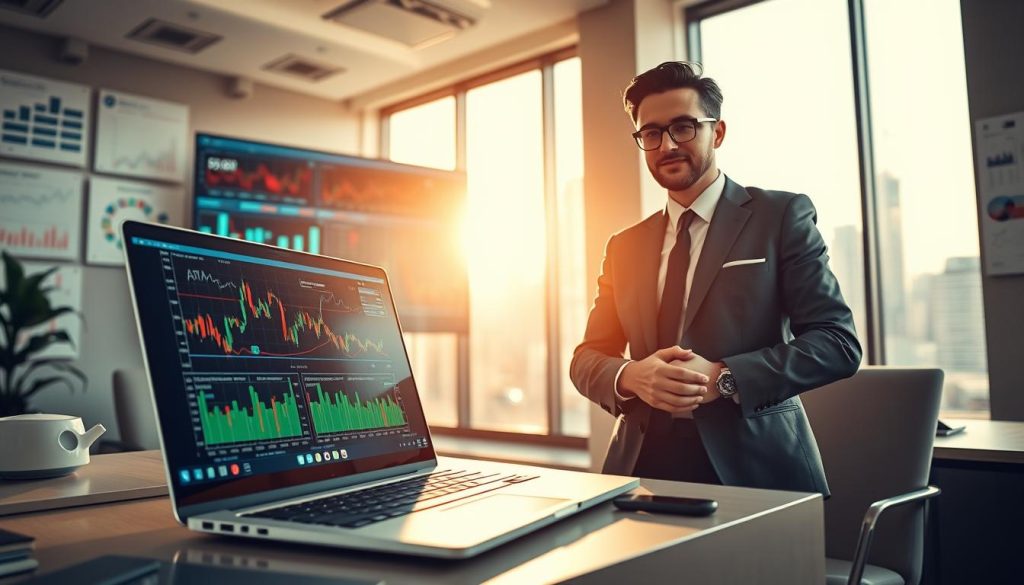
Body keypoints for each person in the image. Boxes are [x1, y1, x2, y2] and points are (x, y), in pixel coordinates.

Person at [570, 61, 861, 494]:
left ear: (717, 132)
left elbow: (837, 343)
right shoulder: (623, 246)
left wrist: (725, 378)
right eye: (651, 133)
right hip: (641, 467)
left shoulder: (780, 217)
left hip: (756, 466)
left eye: (683, 127)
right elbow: (586, 358)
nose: (667, 144)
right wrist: (631, 376)